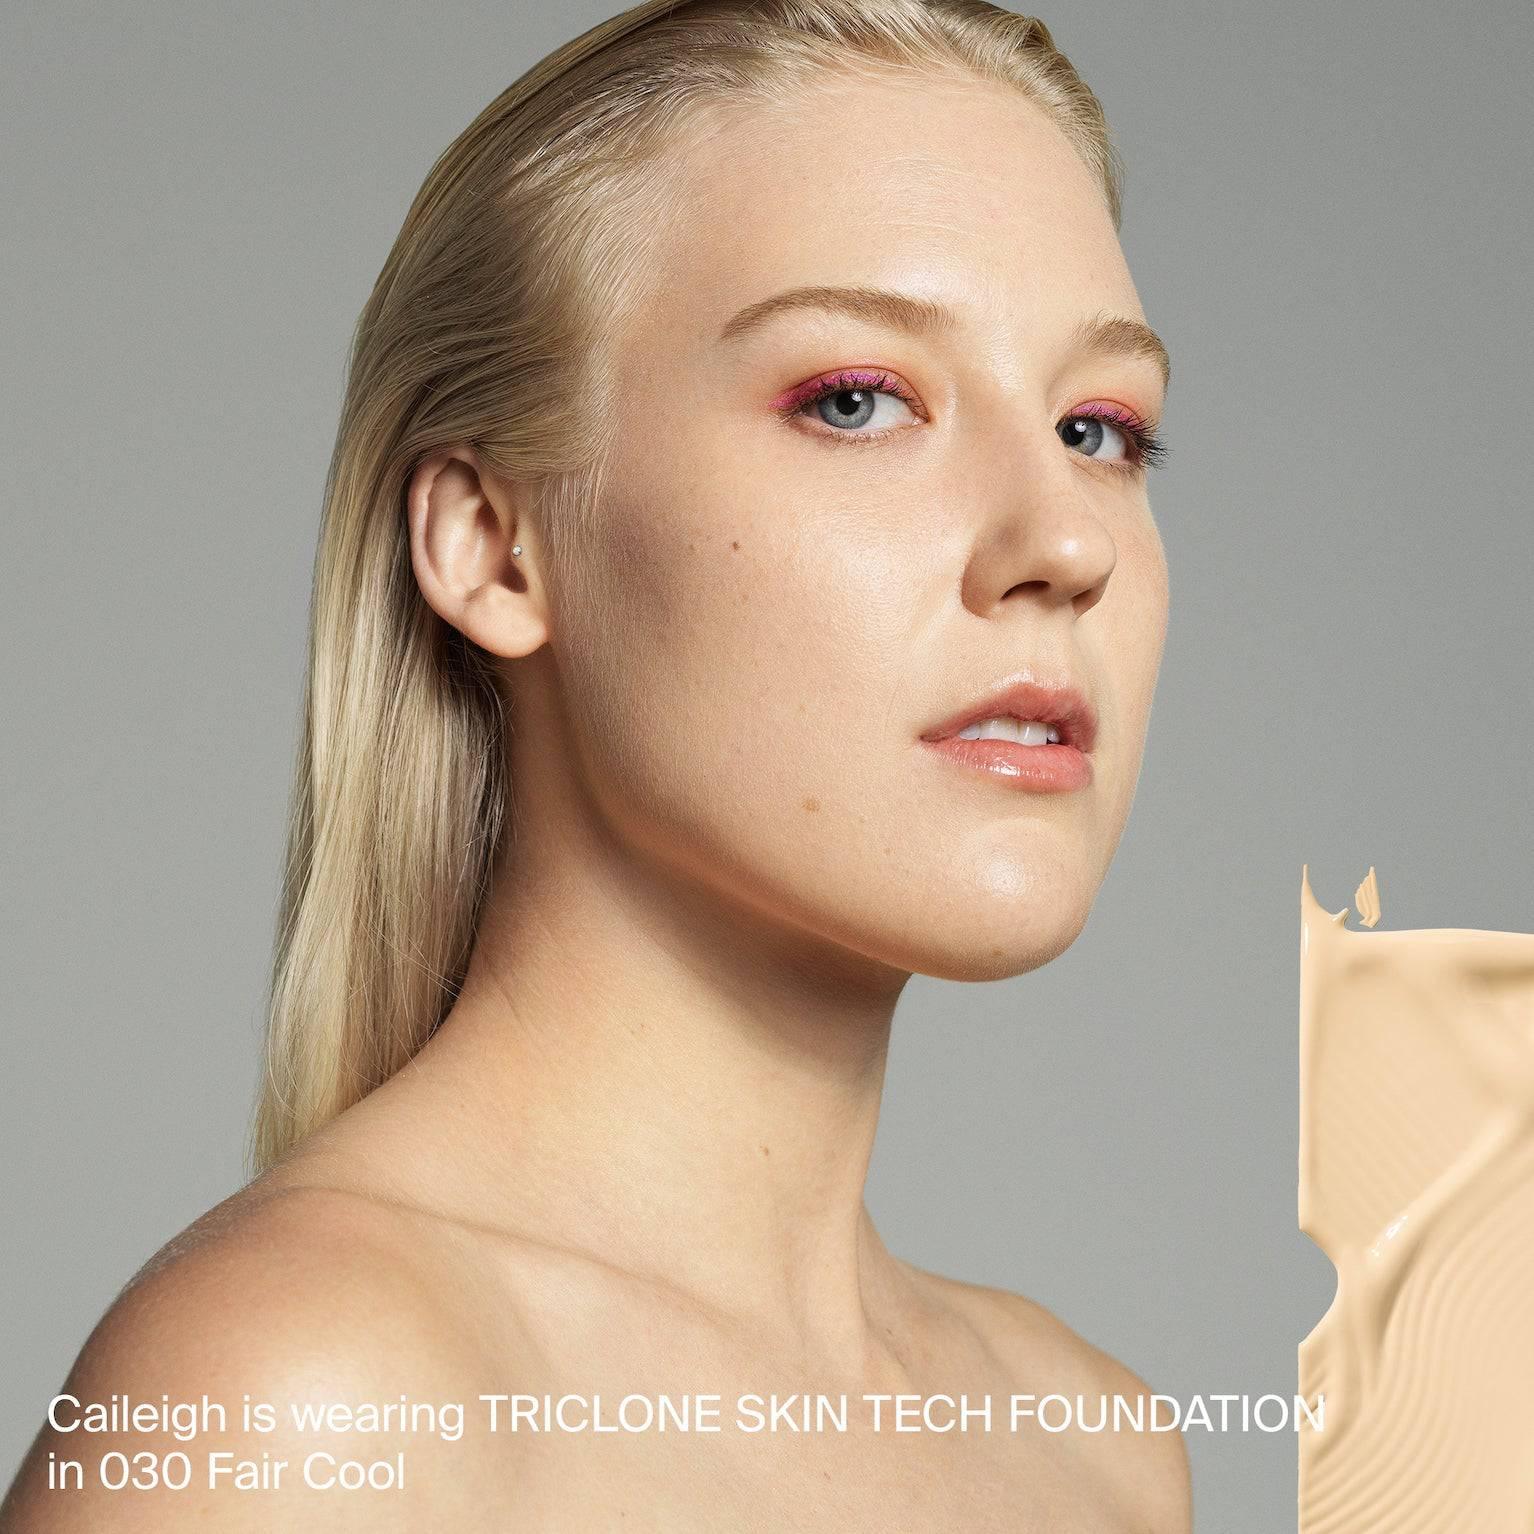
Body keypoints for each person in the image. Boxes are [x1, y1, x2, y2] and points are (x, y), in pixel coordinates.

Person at [2, 0, 1187, 1526]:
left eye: (1100, 428)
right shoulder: (295, 1402)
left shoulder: (1095, 1449)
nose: (1067, 541)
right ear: (493, 544)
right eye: (854, 399)